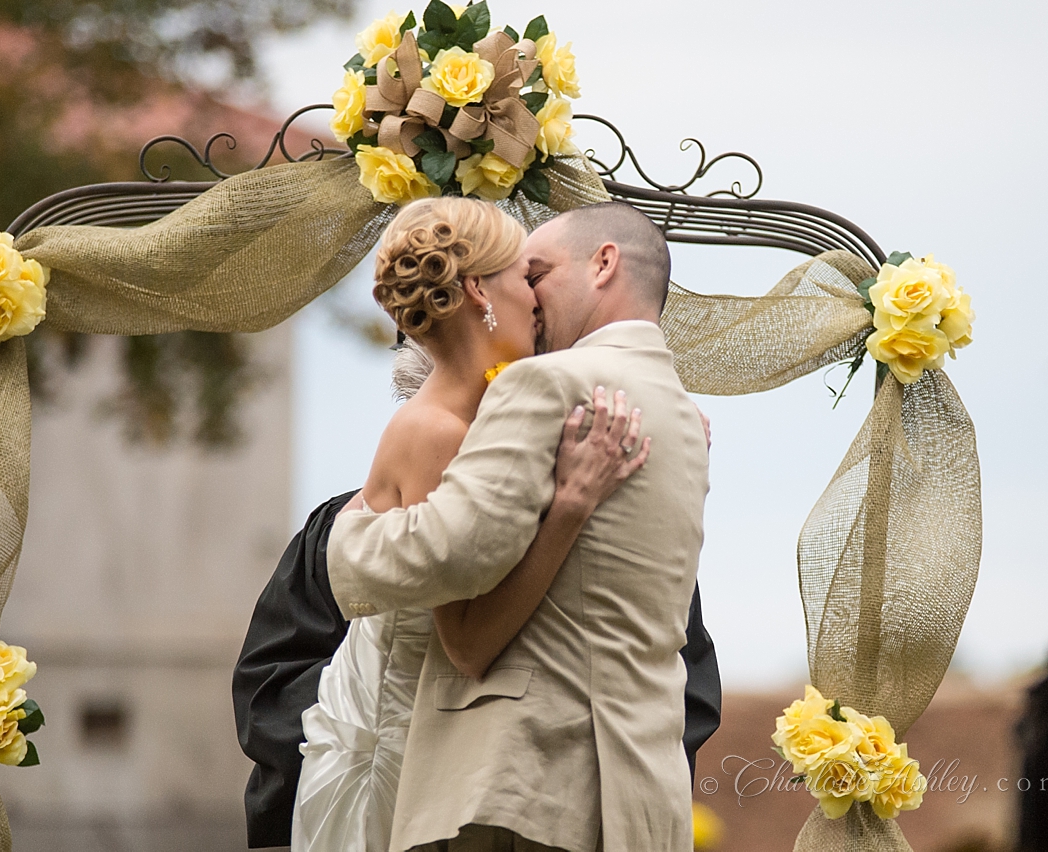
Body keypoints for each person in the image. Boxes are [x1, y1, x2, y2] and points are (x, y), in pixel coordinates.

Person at [230, 338, 723, 849]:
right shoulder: (352, 526)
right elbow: (274, 681)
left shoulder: (611, 542)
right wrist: (350, 745)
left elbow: (677, 682)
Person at [282, 197, 666, 852]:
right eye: (528, 278)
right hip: (406, 749)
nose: (540, 301)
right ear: (480, 291)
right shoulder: (436, 432)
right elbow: (468, 644)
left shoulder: (484, 420)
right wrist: (571, 505)